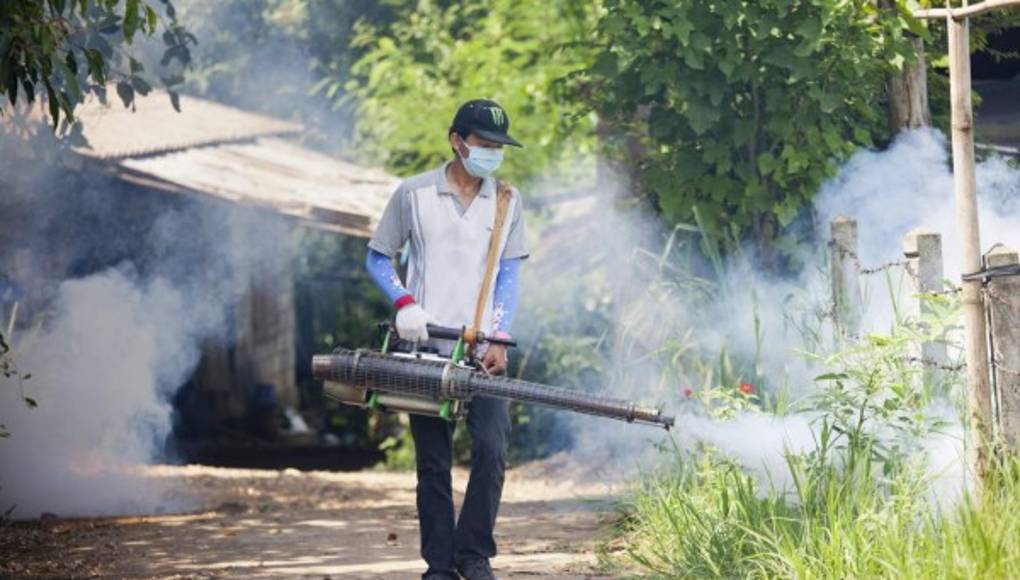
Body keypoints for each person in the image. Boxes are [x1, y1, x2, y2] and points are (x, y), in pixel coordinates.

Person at [364, 98, 527, 580]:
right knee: (433, 462)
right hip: (424, 347)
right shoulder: (413, 195)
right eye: (484, 144)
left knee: (493, 449)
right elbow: (378, 258)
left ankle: (473, 555)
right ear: (457, 141)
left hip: (482, 350)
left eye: (499, 146)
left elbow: (509, 275)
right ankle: (439, 564)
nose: (492, 153)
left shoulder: (507, 200)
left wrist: (499, 335)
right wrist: (404, 304)